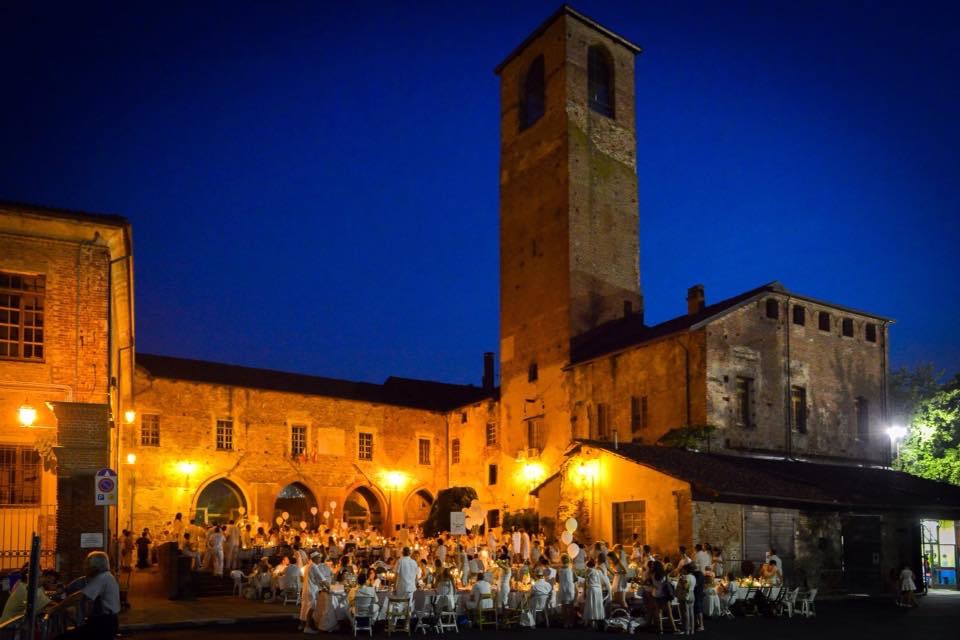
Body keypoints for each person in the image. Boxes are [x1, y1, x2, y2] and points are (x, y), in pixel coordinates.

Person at [61, 551, 121, 639]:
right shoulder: (104, 577)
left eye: (87, 565)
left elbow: (79, 596)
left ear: (95, 566)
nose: (85, 568)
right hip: (103, 621)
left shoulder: (102, 578)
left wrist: (56, 608)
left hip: (103, 623)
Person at [651, 560, 680, 635]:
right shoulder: (664, 575)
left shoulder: (652, 574)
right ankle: (674, 629)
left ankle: (660, 629)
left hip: (655, 594)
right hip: (663, 595)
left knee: (658, 612)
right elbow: (668, 584)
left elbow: (653, 584)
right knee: (669, 613)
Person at [582, 559, 610, 628]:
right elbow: (604, 581)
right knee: (597, 605)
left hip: (592, 589)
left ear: (588, 566)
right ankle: (596, 623)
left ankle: (592, 623)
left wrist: (584, 592)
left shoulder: (588, 571)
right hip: (598, 590)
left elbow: (585, 583)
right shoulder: (598, 572)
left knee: (591, 605)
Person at [557, 554, 576, 628]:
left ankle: (565, 622)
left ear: (561, 561)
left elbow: (557, 580)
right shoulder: (571, 569)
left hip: (562, 589)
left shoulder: (559, 570)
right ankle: (571, 622)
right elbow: (575, 579)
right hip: (570, 589)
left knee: (564, 607)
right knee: (571, 606)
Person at [678, 564, 696, 635]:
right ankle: (692, 629)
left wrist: (681, 580)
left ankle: (687, 630)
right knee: (691, 612)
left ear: (686, 570)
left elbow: (685, 587)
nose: (682, 570)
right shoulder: (693, 577)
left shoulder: (685, 577)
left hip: (686, 595)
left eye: (683, 569)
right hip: (692, 594)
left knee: (686, 613)